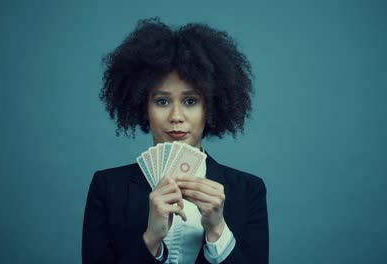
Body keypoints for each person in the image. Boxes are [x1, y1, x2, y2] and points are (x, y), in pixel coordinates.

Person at [82, 17, 268, 264]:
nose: (176, 117)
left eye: (191, 101)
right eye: (162, 101)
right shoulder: (107, 187)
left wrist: (218, 231)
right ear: (142, 106)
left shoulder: (248, 190)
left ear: (210, 108)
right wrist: (150, 240)